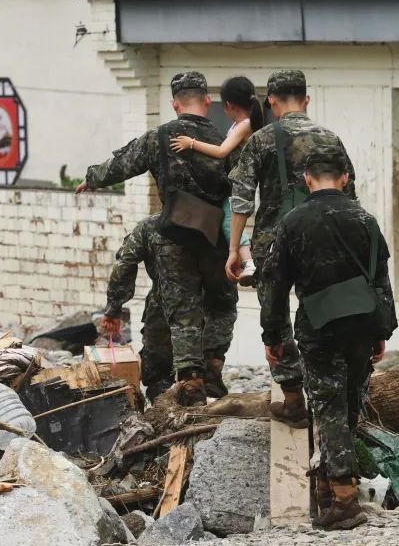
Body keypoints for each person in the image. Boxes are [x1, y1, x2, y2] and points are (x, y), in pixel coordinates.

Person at [77, 71, 237, 405]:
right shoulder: (225, 141)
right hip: (215, 238)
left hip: (174, 234)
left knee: (182, 309)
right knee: (221, 302)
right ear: (207, 101)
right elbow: (242, 191)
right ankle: (213, 366)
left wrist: (91, 180)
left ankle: (191, 381)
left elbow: (122, 165)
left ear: (175, 104)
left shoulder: (160, 137)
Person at [260, 147, 396, 530]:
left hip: (319, 327)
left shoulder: (293, 222)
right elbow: (381, 279)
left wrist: (274, 335)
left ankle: (344, 499)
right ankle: (329, 486)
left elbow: (275, 284)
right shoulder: (365, 220)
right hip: (362, 325)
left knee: (328, 406)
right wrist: (382, 330)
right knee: (349, 402)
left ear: (306, 179)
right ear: (345, 178)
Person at [226, 69, 357, 427]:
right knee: (323, 315)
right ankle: (329, 397)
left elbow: (240, 199)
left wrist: (235, 248)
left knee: (276, 320)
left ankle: (294, 399)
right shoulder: (331, 140)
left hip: (273, 246)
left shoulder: (262, 140)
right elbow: (350, 199)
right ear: (307, 99)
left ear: (270, 100)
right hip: (324, 245)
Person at [170, 76, 263, 285]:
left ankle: (249, 263)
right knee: (226, 223)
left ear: (228, 105)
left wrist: (191, 143)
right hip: (232, 187)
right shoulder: (239, 124)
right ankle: (243, 261)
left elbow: (221, 152)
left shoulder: (244, 125)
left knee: (231, 224)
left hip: (239, 188)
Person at [100, 215, 182, 402]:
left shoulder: (150, 226)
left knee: (159, 378)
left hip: (164, 306)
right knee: (207, 376)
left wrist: (114, 308)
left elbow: (125, 264)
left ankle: (164, 418)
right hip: (207, 308)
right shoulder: (217, 221)